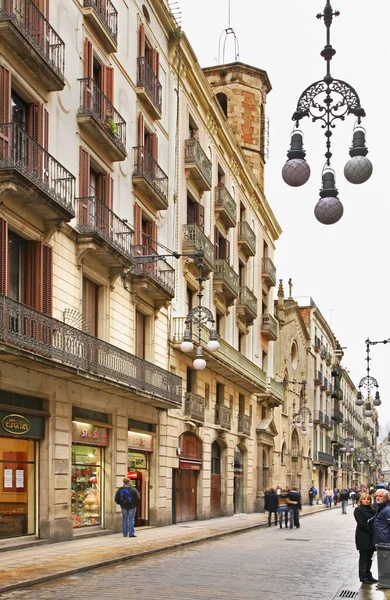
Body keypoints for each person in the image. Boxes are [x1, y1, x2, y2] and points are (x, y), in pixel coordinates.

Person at [354, 492, 377, 584]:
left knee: (370, 557)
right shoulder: (358, 510)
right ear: (361, 500)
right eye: (364, 499)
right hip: (363, 536)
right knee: (364, 557)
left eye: (368, 499)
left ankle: (368, 574)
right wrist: (371, 531)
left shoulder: (373, 509)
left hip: (372, 536)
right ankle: (363, 576)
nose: (366, 501)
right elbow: (362, 523)